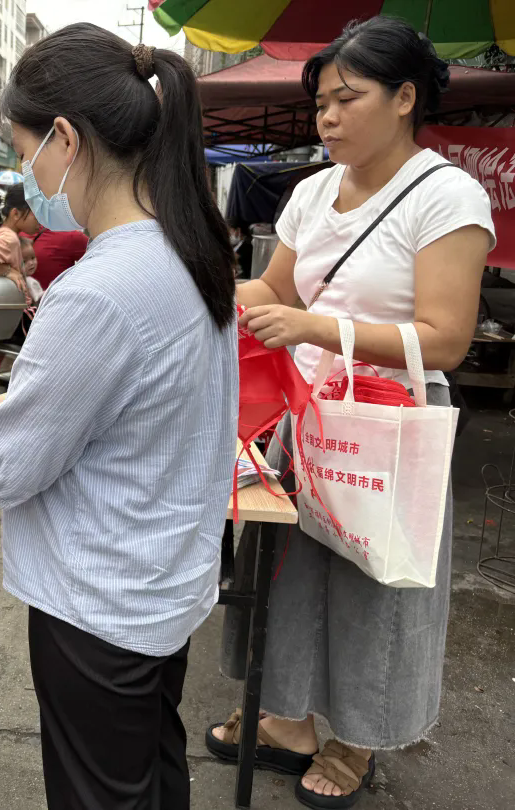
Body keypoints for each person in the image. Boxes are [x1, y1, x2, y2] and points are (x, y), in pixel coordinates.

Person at [0, 23, 238, 810]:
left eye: (26, 152)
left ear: (67, 139)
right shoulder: (188, 248)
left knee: (101, 794)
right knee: (151, 771)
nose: (28, 174)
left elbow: (13, 464)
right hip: (160, 581)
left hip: (100, 604)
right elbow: (116, 395)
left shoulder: (101, 287)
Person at [210, 17, 495, 809]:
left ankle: (357, 738)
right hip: (308, 415)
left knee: (376, 582)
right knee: (288, 574)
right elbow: (275, 290)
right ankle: (289, 720)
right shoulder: (311, 192)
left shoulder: (447, 195)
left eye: (347, 98)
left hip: (389, 423)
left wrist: (314, 329)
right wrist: (201, 291)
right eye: (321, 105)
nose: (328, 118)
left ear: (405, 98)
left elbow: (446, 339)